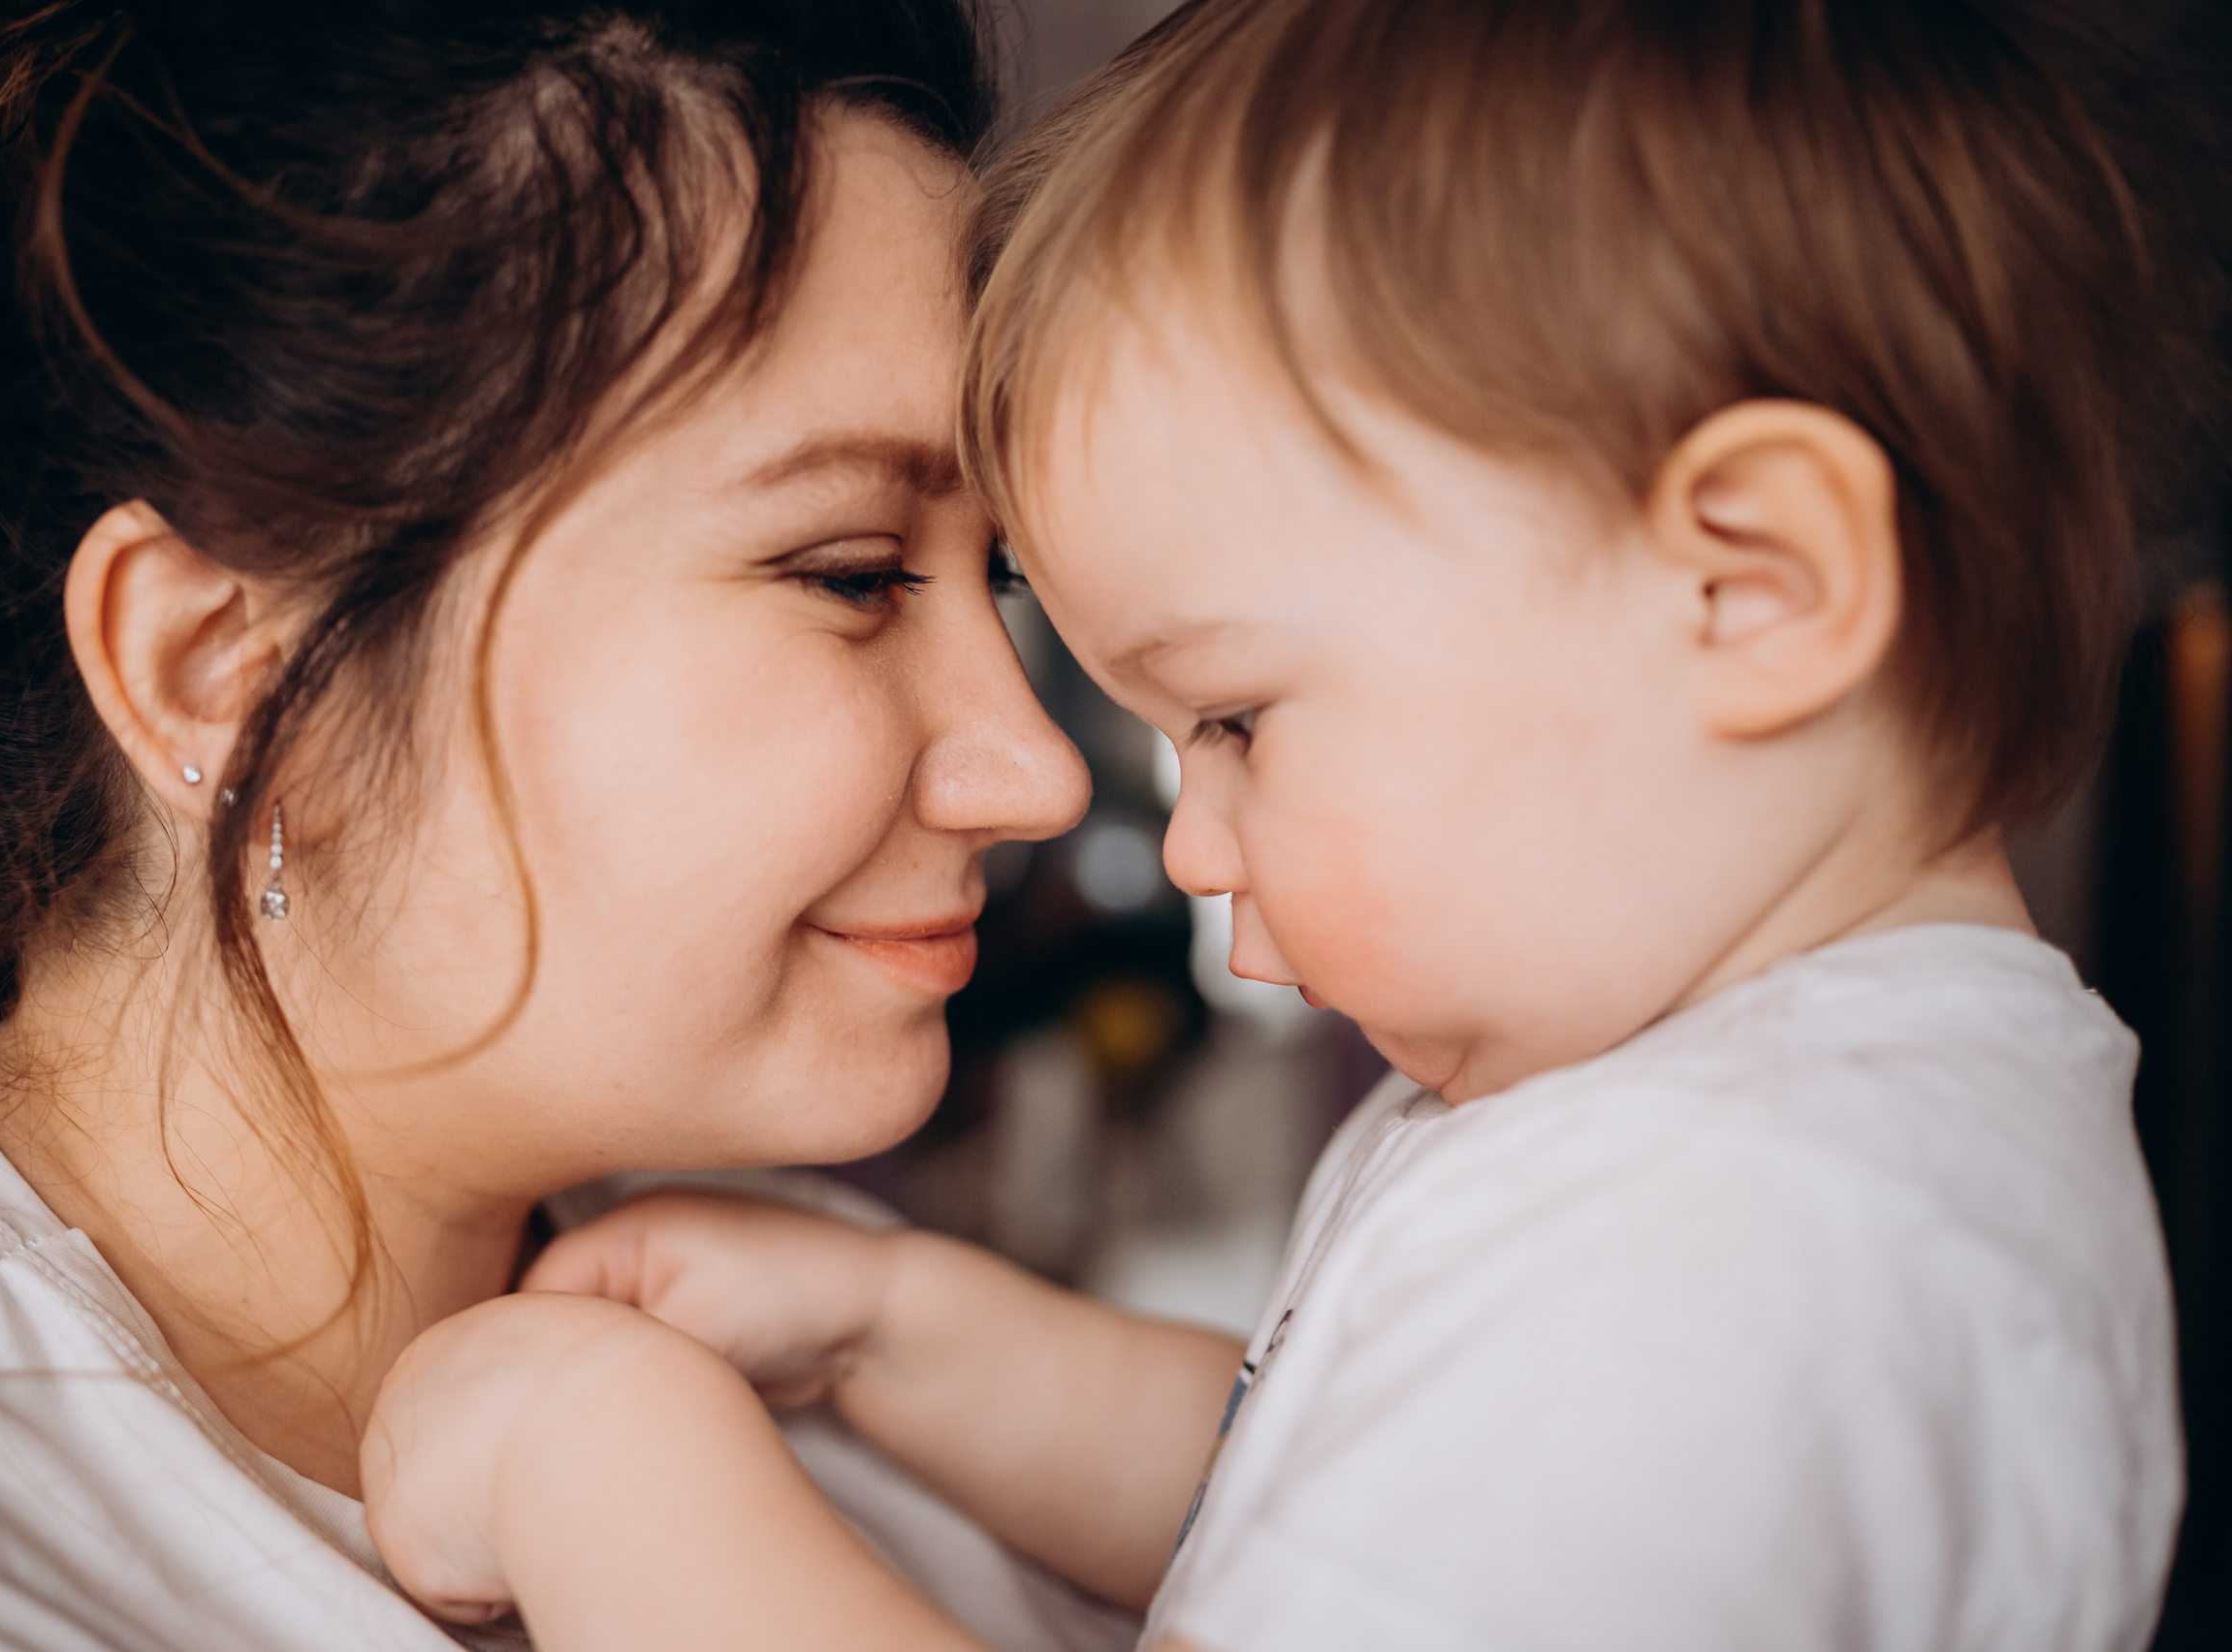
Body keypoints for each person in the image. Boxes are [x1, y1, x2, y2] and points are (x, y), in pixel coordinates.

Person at [354, 0, 2201, 1647]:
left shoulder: (1736, 1264)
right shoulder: (1719, 1147)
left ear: (1753, 588)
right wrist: (897, 1326)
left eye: (1233, 717)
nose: (1182, 839)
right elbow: (1308, 1498)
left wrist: (596, 1461)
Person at [0, 2, 1106, 1647]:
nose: (1033, 771)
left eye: (999, 577)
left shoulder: (849, 1347)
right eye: (853, 572)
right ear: (234, 683)